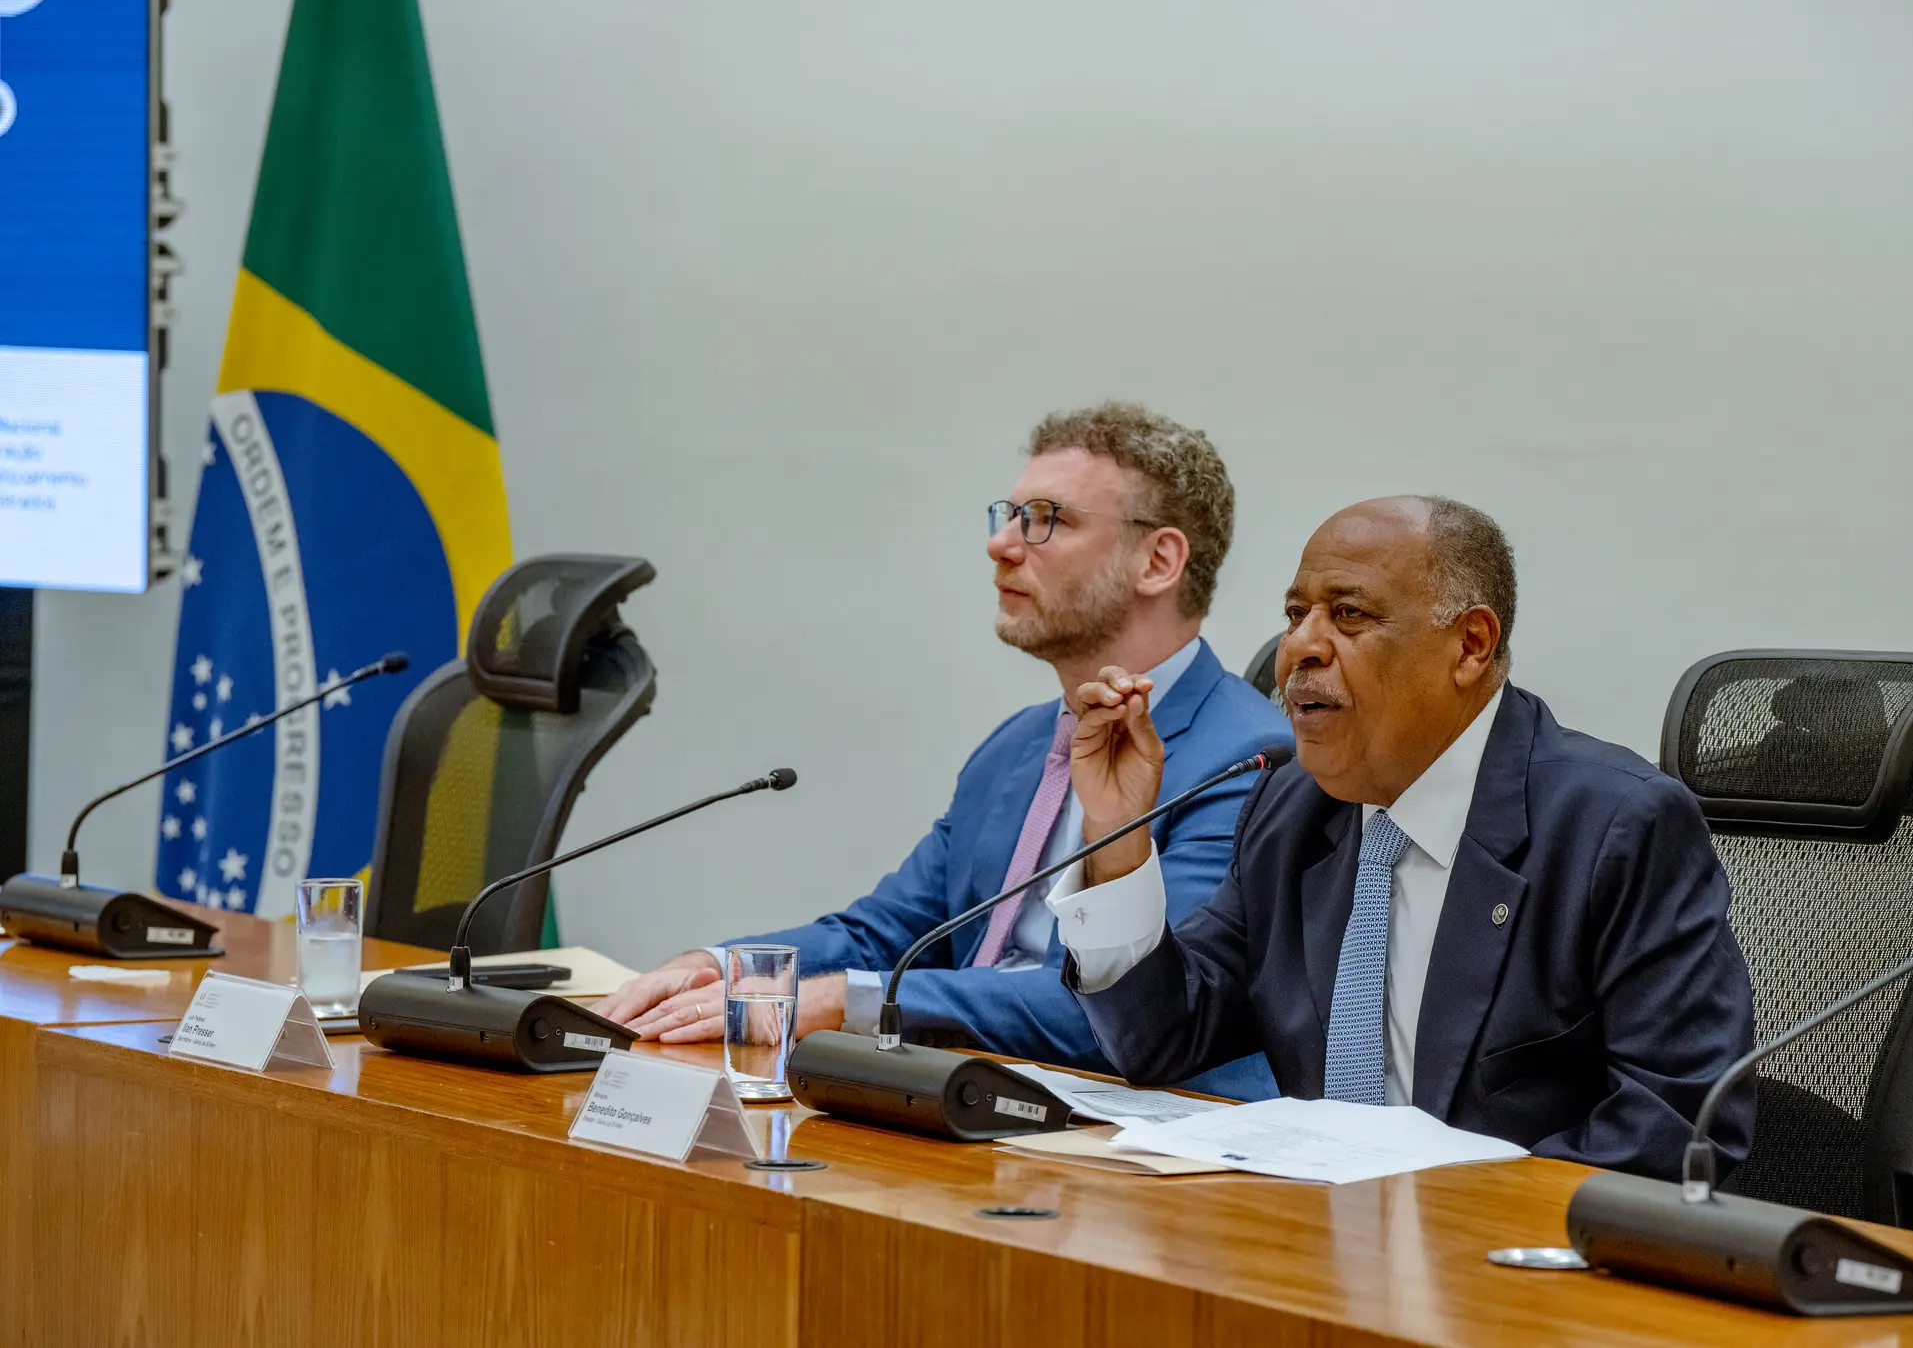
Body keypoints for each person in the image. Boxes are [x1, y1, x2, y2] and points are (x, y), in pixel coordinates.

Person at [1045, 495, 1755, 1178]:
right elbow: (1162, 1036)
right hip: (1319, 1227)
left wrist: (1434, 1212)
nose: (1300, 647)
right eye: (1295, 615)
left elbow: (1677, 1122)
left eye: (1348, 614)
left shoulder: (1613, 824)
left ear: (1470, 646)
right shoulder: (1291, 808)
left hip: (1504, 1246)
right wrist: (1115, 832)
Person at [594, 402, 1291, 1096]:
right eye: (1008, 516)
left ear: (1158, 560)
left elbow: (1132, 1011)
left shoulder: (1251, 762)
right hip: (953, 1100)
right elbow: (885, 932)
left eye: (1046, 518)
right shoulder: (1016, 748)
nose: (1002, 545)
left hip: (1123, 1131)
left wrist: (844, 1003)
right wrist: (721, 968)